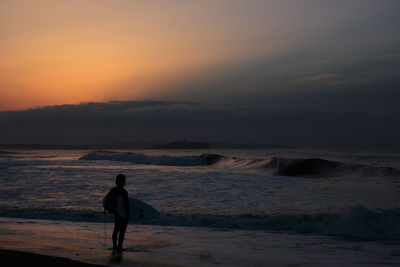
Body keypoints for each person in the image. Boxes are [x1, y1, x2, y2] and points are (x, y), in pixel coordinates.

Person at [105, 174, 131, 251]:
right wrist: (128, 213)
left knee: (116, 230)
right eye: (124, 181)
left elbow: (106, 200)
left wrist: (110, 209)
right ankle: (119, 246)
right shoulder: (124, 191)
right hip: (123, 214)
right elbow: (126, 204)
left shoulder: (113, 190)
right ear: (122, 182)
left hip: (117, 213)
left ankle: (114, 246)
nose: (124, 182)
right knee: (122, 231)